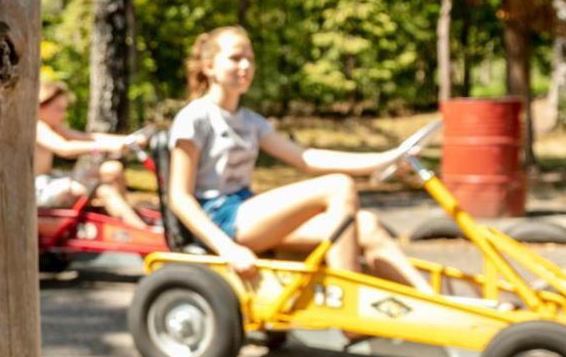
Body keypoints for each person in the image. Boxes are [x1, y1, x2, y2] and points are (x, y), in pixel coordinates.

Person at [168, 26, 429, 289]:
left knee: (367, 225)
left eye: (250, 59)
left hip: (248, 212)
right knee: (339, 186)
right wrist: (228, 250)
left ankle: (438, 308)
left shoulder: (251, 121)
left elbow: (306, 158)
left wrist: (387, 159)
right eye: (235, 58)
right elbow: (179, 197)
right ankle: (347, 299)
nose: (246, 65)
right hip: (221, 219)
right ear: (209, 66)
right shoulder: (194, 118)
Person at [35, 80, 149, 228]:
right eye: (58, 109)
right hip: (39, 188)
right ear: (41, 106)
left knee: (113, 169)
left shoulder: (54, 127)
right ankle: (138, 229)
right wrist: (103, 147)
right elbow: (64, 148)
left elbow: (90, 137)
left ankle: (128, 219)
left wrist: (127, 140)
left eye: (64, 109)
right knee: (104, 191)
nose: (63, 114)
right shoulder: (37, 126)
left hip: (52, 179)